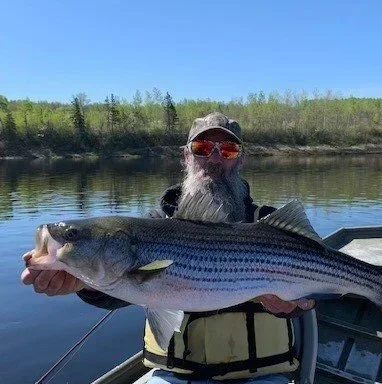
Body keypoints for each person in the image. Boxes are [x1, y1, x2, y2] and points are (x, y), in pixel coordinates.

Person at [21, 112, 315, 384]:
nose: (214, 158)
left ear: (240, 160)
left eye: (227, 150)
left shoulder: (269, 224)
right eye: (202, 148)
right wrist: (83, 283)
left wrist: (296, 306)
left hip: (261, 376)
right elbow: (120, 292)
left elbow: (312, 294)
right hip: (174, 377)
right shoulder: (151, 225)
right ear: (186, 157)